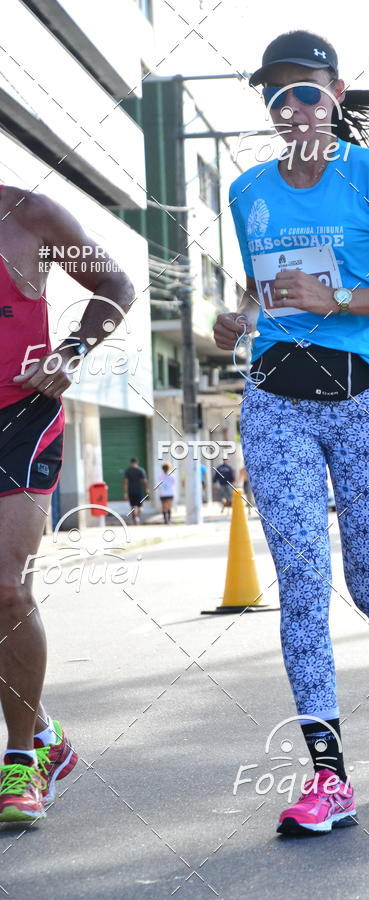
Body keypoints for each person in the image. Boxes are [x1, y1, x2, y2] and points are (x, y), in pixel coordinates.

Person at [214, 30, 369, 836]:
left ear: (337, 93)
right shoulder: (247, 188)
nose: (291, 107)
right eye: (276, 95)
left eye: (306, 91)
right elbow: (262, 287)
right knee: (303, 586)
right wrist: (239, 316)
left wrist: (339, 302)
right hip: (276, 400)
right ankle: (330, 778)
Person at [0, 184, 135, 821]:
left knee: (6, 587)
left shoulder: (28, 215)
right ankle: (48, 735)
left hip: (20, 414)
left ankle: (20, 760)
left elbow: (115, 286)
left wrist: (72, 350)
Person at [122, 457, 148, 525]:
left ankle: (134, 518)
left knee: (132, 506)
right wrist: (146, 489)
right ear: (137, 462)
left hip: (131, 491)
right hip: (139, 491)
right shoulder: (141, 470)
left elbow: (125, 482)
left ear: (131, 463)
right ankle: (137, 517)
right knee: (140, 507)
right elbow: (144, 481)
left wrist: (125, 493)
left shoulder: (127, 471)